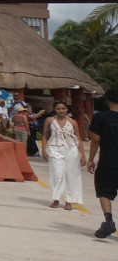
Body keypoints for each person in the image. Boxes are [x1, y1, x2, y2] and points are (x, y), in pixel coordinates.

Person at [41, 101, 84, 210]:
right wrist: (43, 150)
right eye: (58, 109)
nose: (61, 111)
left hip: (71, 149)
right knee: (58, 174)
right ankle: (56, 198)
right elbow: (45, 136)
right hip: (54, 148)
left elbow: (78, 138)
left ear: (67, 109)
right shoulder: (49, 120)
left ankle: (69, 200)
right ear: (55, 110)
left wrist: (82, 154)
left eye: (63, 108)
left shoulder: (73, 122)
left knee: (71, 174)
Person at [87, 87, 118, 239]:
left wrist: (90, 159)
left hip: (108, 161)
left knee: (105, 191)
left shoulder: (101, 117)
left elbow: (95, 140)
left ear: (107, 100)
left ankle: (109, 220)